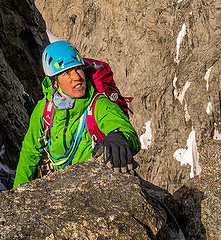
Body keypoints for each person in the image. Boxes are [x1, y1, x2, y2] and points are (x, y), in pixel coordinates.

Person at [13, 40, 140, 187]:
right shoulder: (45, 109)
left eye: (78, 69)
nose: (77, 77)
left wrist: (118, 137)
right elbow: (30, 152)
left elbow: (124, 128)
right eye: (67, 73)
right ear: (55, 82)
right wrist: (17, 191)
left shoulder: (98, 104)